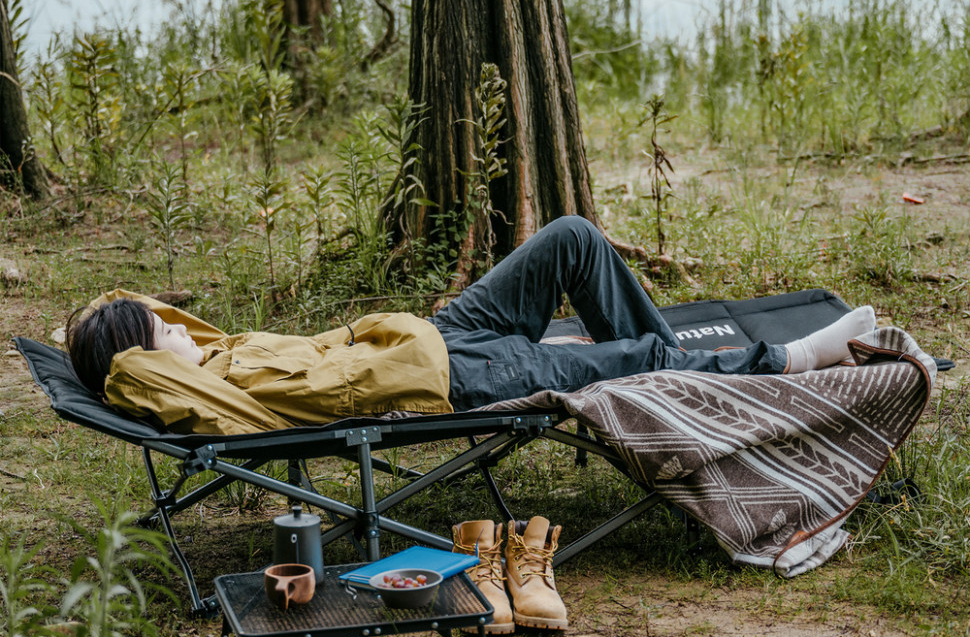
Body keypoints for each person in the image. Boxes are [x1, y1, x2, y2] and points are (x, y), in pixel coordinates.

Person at [67, 216, 876, 436]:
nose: (179, 327)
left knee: (572, 238)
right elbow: (151, 366)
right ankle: (786, 361)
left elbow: (161, 332)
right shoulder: (218, 392)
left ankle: (670, 373)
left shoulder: (213, 353)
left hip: (441, 331)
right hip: (456, 380)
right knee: (618, 362)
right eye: (160, 330)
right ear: (145, 363)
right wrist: (130, 361)